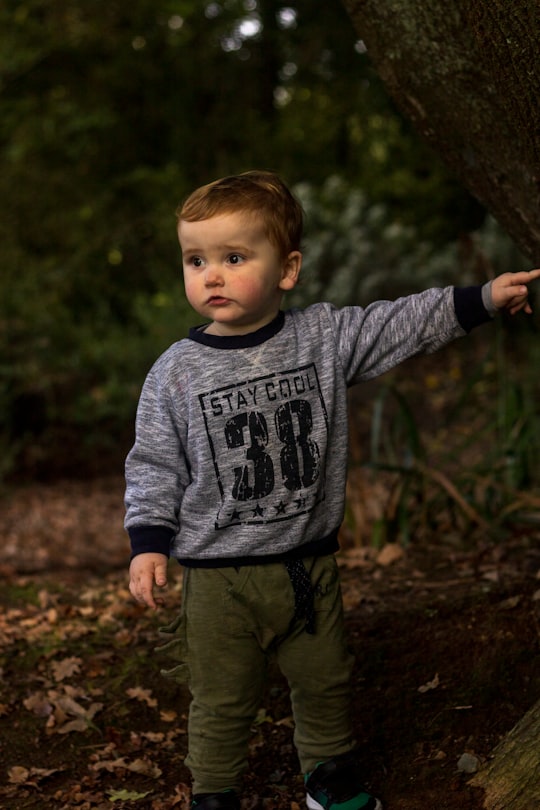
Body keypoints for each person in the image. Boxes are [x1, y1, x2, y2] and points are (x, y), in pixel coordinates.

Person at [125, 170, 540, 810]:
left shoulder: (322, 338)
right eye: (196, 259)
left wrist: (482, 298)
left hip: (307, 565)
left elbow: (399, 322)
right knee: (221, 696)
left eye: (234, 258)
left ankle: (328, 778)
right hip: (217, 576)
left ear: (287, 268)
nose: (211, 275)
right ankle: (213, 792)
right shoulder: (174, 373)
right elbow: (154, 461)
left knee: (324, 680)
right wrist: (148, 542)